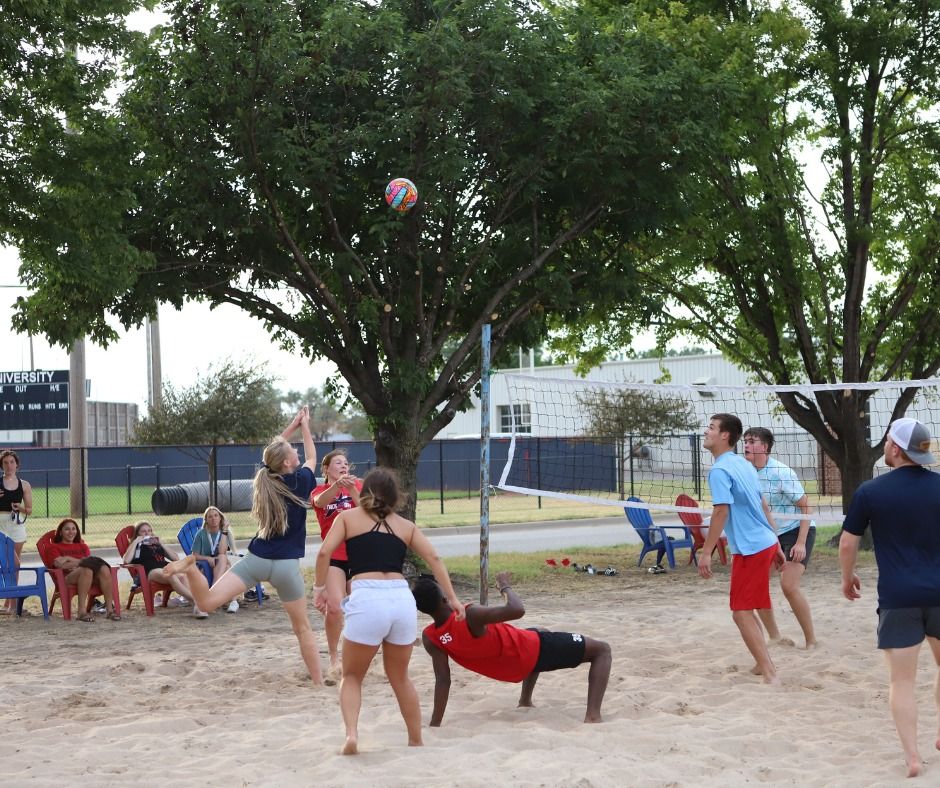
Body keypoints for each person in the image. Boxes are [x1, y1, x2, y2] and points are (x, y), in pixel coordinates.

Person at [165, 408, 325, 684]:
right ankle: (319, 682)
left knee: (206, 602)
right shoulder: (300, 480)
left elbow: (273, 453)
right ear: (287, 462)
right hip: (286, 567)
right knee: (302, 629)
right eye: (292, 451)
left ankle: (191, 568)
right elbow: (312, 456)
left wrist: (293, 425)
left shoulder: (266, 480)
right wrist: (305, 426)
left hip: (256, 559)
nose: (297, 453)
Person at [313, 466, 464, 755]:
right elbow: (434, 557)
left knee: (353, 676)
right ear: (396, 497)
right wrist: (453, 599)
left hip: (367, 597)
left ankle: (352, 735)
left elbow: (323, 552)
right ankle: (415, 739)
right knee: (400, 677)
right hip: (401, 599)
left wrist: (320, 588)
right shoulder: (405, 525)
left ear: (365, 490)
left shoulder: (348, 518)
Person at [839, 417, 940, 778]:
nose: (884, 445)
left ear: (895, 449)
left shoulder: (870, 491)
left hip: (899, 597)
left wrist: (847, 578)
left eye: (886, 441)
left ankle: (913, 757)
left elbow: (848, 542)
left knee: (902, 682)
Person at [414, 570, 611, 725]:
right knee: (602, 650)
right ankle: (593, 716)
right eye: (444, 588)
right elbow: (517, 609)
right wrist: (504, 586)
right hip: (530, 652)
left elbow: (443, 681)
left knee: (538, 630)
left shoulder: (431, 637)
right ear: (444, 599)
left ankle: (525, 700)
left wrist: (435, 723)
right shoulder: (469, 615)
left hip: (508, 664)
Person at [699, 413, 785, 684]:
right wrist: (777, 542)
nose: (706, 431)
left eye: (711, 427)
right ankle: (763, 664)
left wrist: (705, 552)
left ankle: (769, 670)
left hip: (752, 549)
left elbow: (721, 512)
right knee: (746, 609)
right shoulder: (743, 464)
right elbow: (762, 504)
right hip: (764, 543)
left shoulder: (721, 470)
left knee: (740, 613)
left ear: (725, 435)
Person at [743, 427, 817, 648]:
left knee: (788, 585)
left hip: (797, 529)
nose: (746, 445)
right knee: (757, 586)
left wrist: (801, 543)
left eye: (751, 441)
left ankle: (811, 640)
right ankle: (775, 637)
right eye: (745, 441)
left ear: (764, 447)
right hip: (769, 534)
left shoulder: (781, 473)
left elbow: (806, 508)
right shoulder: (746, 472)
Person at [312, 449, 362, 681]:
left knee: (362, 608)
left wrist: (350, 487)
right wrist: (337, 486)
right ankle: (334, 658)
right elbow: (320, 502)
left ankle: (361, 654)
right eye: (338, 463)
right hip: (335, 556)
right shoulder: (320, 490)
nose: (343, 466)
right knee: (334, 607)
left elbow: (368, 511)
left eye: (345, 463)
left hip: (361, 554)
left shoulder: (358, 486)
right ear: (326, 469)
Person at [123, 521, 205, 617]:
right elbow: (126, 560)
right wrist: (136, 541)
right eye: (143, 532)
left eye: (149, 531)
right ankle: (197, 602)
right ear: (137, 534)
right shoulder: (136, 546)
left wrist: (161, 543)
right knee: (170, 575)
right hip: (150, 571)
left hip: (165, 567)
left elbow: (175, 558)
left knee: (183, 576)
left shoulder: (156, 545)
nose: (147, 533)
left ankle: (195, 606)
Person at [45, 518, 120, 622]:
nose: (71, 532)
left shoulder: (82, 546)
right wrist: (81, 562)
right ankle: (81, 612)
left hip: (87, 576)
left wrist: (68, 559)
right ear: (60, 532)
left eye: (73, 529)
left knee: (104, 568)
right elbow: (59, 565)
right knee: (87, 569)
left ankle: (110, 611)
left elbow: (89, 562)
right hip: (66, 578)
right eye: (67, 529)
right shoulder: (54, 547)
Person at [0, 449, 32, 614]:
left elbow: (29, 509)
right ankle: (12, 602)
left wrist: (20, 508)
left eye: (12, 462)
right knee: (10, 563)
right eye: (5, 462)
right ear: (2, 465)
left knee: (15, 566)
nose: (9, 465)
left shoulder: (24, 485)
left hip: (17, 525)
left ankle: (9, 603)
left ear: (17, 464)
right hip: (1, 525)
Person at [191, 505, 239, 613]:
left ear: (220, 518)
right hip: (204, 565)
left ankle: (212, 593)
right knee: (227, 568)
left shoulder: (224, 533)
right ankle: (233, 601)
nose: (213, 519)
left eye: (216, 516)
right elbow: (194, 555)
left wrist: (225, 530)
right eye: (210, 517)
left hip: (219, 563)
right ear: (206, 520)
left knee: (222, 558)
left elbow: (222, 552)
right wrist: (207, 558)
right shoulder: (201, 534)